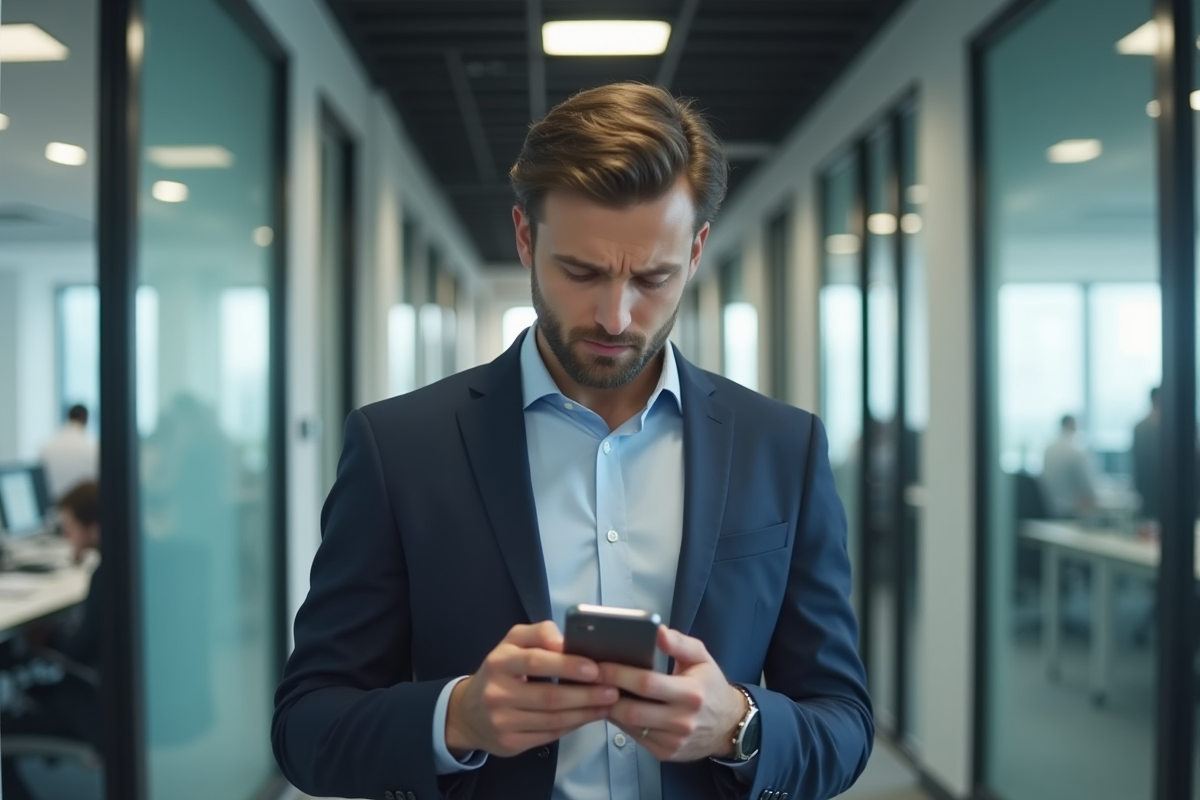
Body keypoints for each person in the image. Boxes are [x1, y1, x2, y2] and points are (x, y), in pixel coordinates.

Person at [273, 82, 872, 800]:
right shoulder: (398, 445)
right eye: (581, 272)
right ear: (526, 237)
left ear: (697, 248)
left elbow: (844, 726)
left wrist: (740, 725)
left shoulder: (785, 448)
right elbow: (307, 729)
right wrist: (456, 716)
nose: (616, 316)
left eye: (653, 277)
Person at [1, 480, 105, 800]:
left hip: (92, 705)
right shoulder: (130, 562)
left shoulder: (107, 575)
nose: (66, 537)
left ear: (93, 528)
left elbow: (78, 649)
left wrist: (48, 638)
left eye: (70, 528)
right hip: (109, 696)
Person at [1039, 415, 1095, 520]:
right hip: (1072, 513)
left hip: (1050, 509)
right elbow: (1088, 488)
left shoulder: (1048, 449)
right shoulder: (1075, 450)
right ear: (1073, 425)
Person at [39, 404, 99, 501]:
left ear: (69, 417)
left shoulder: (45, 447)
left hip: (53, 510)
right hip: (83, 509)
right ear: (86, 419)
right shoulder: (93, 448)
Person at [1132, 387, 1162, 523]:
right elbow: (1137, 463)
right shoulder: (1141, 428)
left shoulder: (1179, 425)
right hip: (1149, 497)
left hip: (1176, 497)